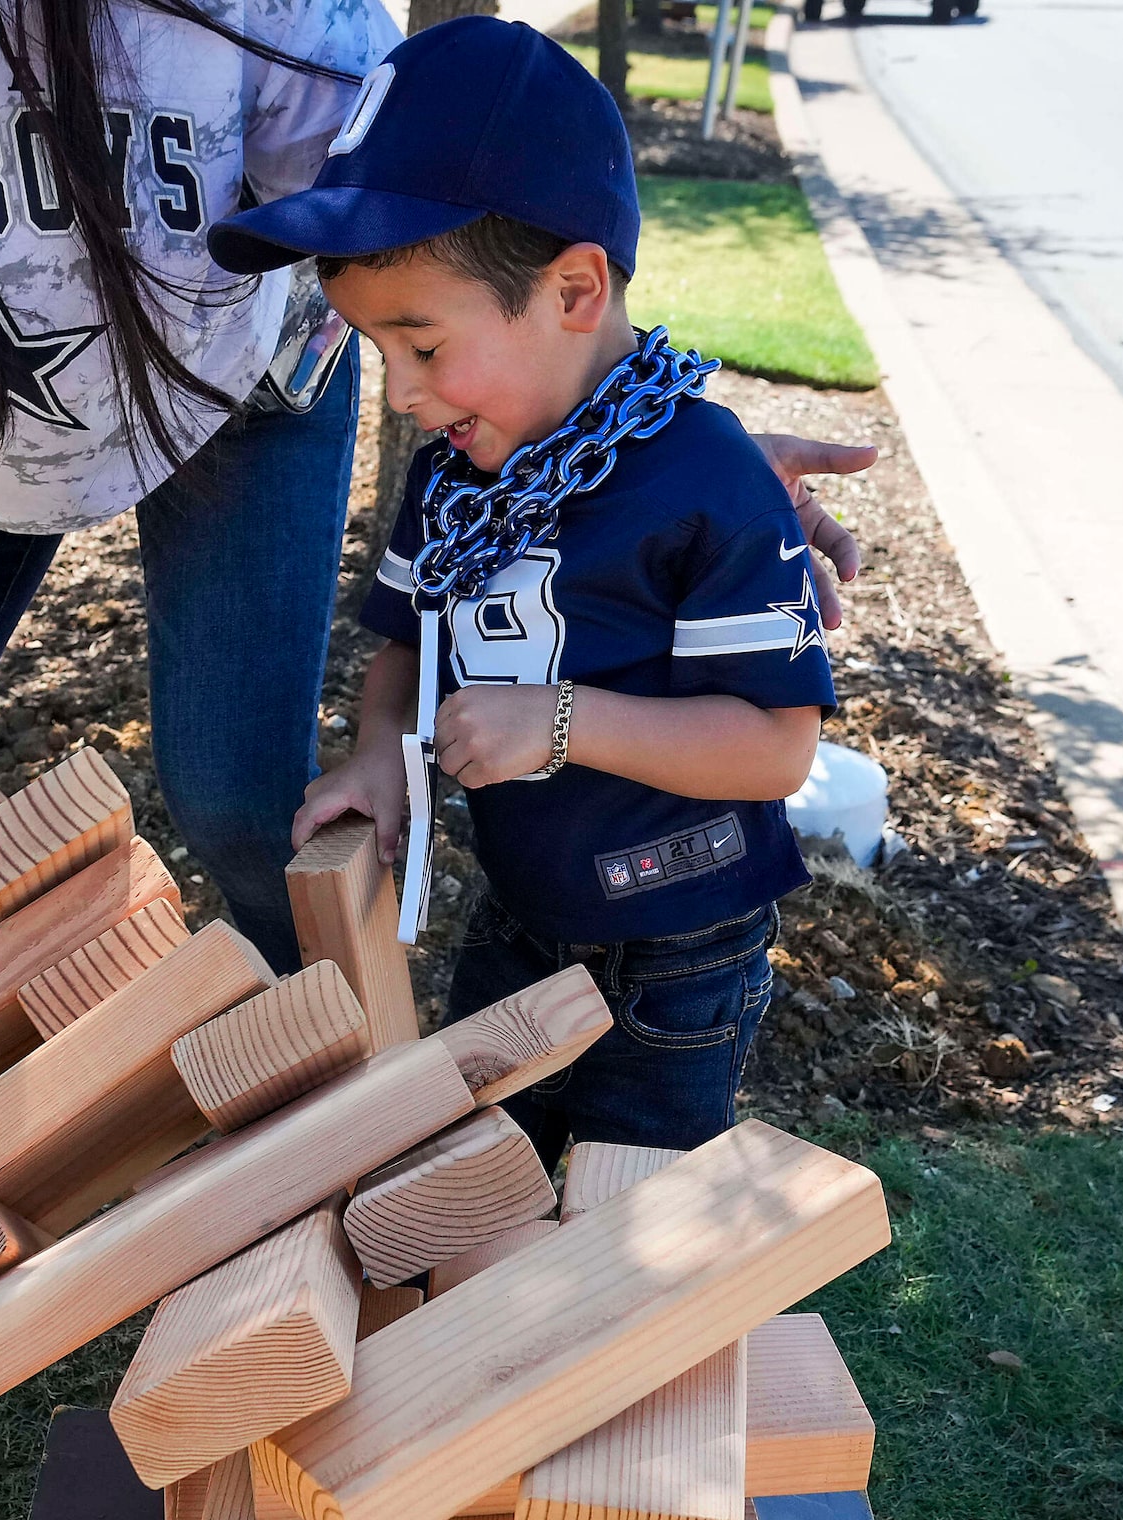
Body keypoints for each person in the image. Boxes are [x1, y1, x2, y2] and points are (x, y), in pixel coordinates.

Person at [0, 0, 869, 971]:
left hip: (242, 386)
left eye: (420, 364)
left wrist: (645, 448)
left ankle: (345, 1068)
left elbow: (486, 279)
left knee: (242, 798)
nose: (414, 390)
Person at [218, 15, 834, 1155]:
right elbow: (404, 644)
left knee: (628, 1220)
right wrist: (377, 754)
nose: (402, 395)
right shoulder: (460, 469)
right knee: (476, 1181)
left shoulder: (711, 481)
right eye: (375, 352)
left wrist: (558, 722)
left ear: (574, 291)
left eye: (423, 344)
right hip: (517, 918)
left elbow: (774, 747)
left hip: (678, 955)